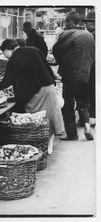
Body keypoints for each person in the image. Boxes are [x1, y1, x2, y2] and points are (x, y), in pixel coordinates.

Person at [0, 39, 64, 154]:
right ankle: (48, 144)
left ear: (7, 50)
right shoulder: (34, 50)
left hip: (37, 93)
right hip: (48, 88)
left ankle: (39, 145)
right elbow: (47, 68)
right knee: (49, 117)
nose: (5, 56)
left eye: (4, 53)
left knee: (36, 119)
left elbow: (6, 81)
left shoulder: (14, 59)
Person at [52, 11, 95, 141]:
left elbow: (56, 51)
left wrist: (60, 62)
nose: (65, 25)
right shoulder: (89, 35)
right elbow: (92, 55)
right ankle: (87, 125)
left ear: (70, 22)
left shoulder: (66, 34)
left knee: (68, 104)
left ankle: (72, 134)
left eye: (65, 23)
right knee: (83, 102)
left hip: (70, 75)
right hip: (85, 75)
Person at [82, 11, 95, 121]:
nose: (86, 26)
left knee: (91, 92)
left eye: (88, 23)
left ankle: (93, 116)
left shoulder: (92, 35)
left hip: (93, 68)